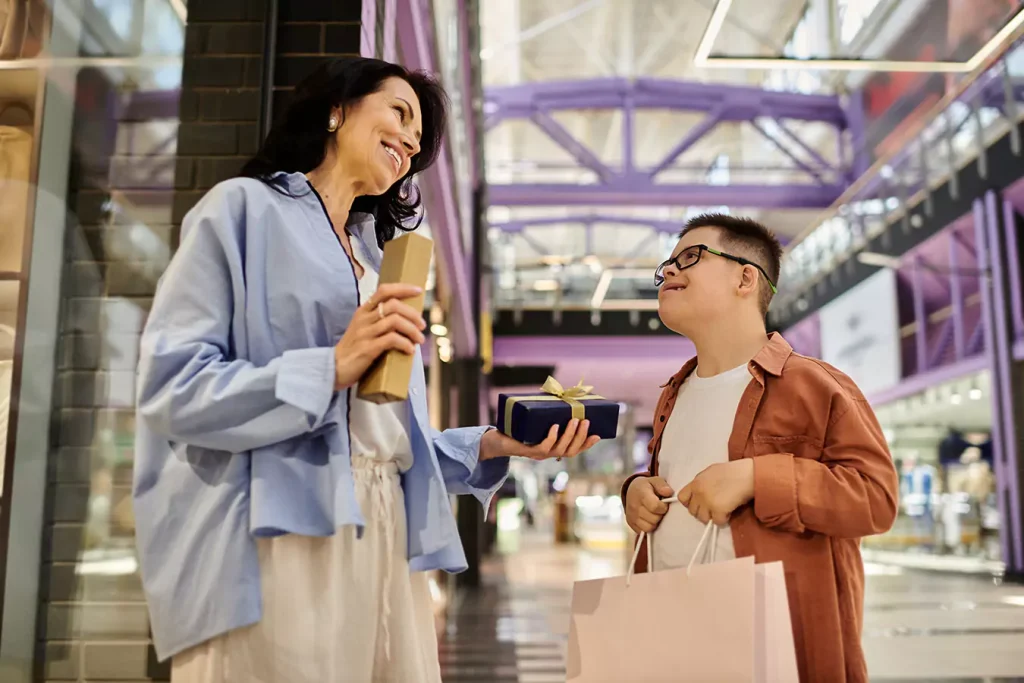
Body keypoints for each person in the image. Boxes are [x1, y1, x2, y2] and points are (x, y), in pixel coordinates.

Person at [133, 57, 600, 683]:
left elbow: (384, 441)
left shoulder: (379, 264)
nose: (411, 141)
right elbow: (174, 390)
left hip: (387, 536)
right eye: (400, 114)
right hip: (278, 532)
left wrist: (496, 443)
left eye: (419, 139)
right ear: (336, 109)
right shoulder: (243, 210)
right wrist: (329, 367)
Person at [621, 213, 898, 683]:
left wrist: (756, 477)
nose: (668, 271)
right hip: (678, 638)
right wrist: (636, 493)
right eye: (666, 264)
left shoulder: (815, 384)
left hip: (776, 652)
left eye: (689, 258)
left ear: (746, 277)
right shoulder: (674, 393)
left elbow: (876, 499)